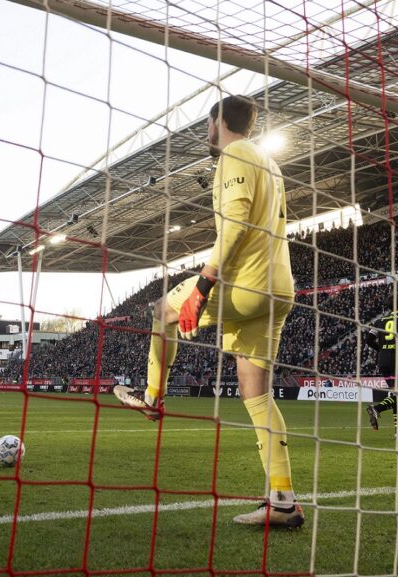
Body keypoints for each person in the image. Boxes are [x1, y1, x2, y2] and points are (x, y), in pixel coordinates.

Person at [114, 95, 302, 528]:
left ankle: (152, 397)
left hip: (245, 284)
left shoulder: (235, 153)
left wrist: (202, 285)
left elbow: (236, 225)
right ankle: (283, 500)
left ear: (220, 122)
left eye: (208, 123)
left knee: (162, 309)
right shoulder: (270, 164)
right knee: (257, 396)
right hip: (278, 287)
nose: (206, 132)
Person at [365, 287, 398, 441]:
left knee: (397, 395)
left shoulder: (380, 320)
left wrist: (382, 349)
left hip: (383, 360)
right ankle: (377, 408)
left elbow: (369, 340)